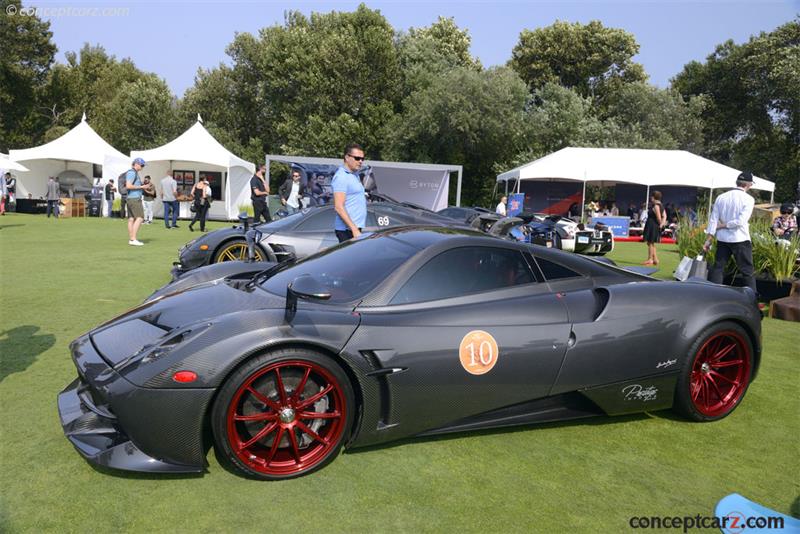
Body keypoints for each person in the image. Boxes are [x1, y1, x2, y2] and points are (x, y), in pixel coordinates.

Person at [703, 171, 757, 293]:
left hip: (723, 239)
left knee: (718, 268)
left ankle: (712, 294)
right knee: (747, 270)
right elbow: (740, 221)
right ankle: (752, 297)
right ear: (748, 184)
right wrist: (724, 225)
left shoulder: (721, 197)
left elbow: (713, 220)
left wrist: (708, 240)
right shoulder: (749, 199)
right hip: (740, 238)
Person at [332, 143, 367, 242]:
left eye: (362, 159)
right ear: (347, 157)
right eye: (357, 158)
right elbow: (339, 207)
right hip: (347, 230)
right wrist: (354, 229)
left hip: (354, 228)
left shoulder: (354, 175)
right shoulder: (341, 176)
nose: (360, 161)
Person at [125, 158, 147, 246]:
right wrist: (141, 187)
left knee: (131, 219)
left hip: (131, 198)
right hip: (134, 198)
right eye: (142, 165)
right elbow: (128, 186)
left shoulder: (132, 172)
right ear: (136, 164)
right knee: (140, 217)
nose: (142, 167)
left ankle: (132, 239)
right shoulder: (132, 173)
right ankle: (133, 239)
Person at [642, 191, 665, 266]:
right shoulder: (661, 205)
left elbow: (658, 217)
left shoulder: (656, 206)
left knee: (650, 242)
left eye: (651, 197)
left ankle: (650, 259)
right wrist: (662, 224)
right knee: (650, 242)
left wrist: (661, 225)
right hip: (654, 225)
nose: (650, 198)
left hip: (653, 225)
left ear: (653, 197)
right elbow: (665, 216)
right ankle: (655, 259)